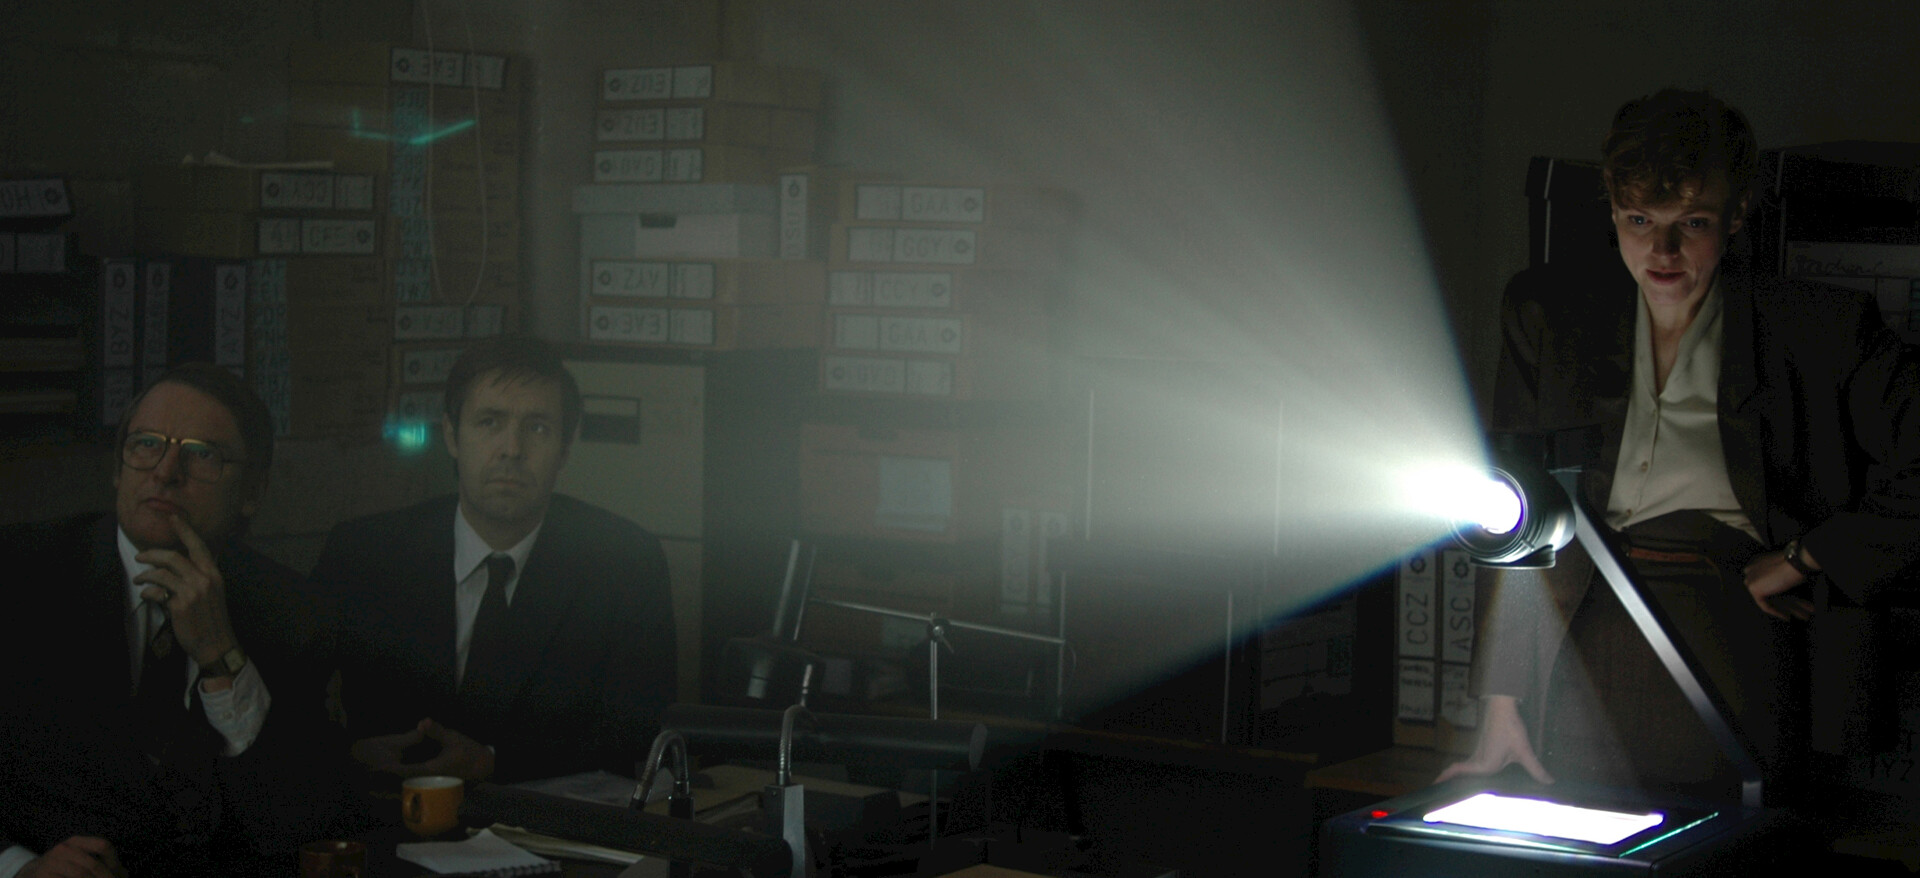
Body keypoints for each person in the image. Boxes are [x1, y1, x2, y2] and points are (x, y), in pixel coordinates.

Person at [1439, 89, 1920, 801]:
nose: (1662, 251)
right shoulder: (1548, 315)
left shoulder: (1820, 328)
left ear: (1738, 212)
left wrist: (1807, 557)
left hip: (1742, 634)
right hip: (1585, 622)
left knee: (1726, 831)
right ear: (1612, 208)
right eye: (1640, 220)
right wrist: (1501, 708)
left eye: (1691, 223)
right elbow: (1515, 514)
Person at [0, 364, 345, 877]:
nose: (165, 472)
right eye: (146, 445)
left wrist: (221, 657)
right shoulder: (19, 574)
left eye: (202, 454)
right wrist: (18, 867)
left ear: (252, 491)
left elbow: (298, 819)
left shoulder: (292, 611)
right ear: (118, 469)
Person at [312, 335, 676, 788]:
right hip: (387, 812)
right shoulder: (364, 553)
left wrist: (493, 761)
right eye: (489, 422)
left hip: (544, 818)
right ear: (452, 436)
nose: (511, 449)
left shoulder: (626, 565)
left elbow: (639, 735)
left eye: (537, 428)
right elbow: (286, 701)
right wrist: (345, 754)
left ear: (564, 450)